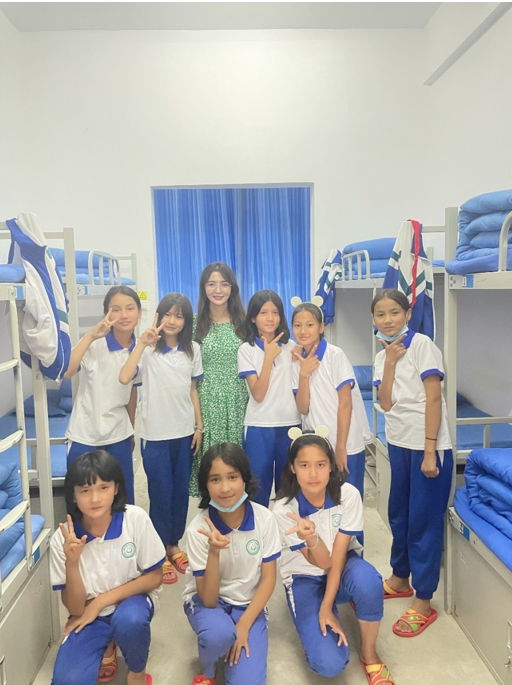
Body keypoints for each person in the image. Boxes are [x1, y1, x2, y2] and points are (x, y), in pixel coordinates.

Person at [273, 432, 395, 685]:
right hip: (304, 576)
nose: (313, 474)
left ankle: (369, 653)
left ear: (331, 465)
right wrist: (312, 539)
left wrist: (327, 605)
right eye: (304, 465)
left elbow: (336, 559)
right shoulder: (284, 509)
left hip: (343, 563)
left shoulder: (347, 494)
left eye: (320, 464)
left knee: (368, 582)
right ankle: (320, 610)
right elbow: (322, 563)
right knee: (329, 664)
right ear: (292, 468)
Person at [372, 289, 453, 637]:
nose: (388, 319)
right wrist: (390, 362)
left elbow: (434, 399)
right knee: (399, 515)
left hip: (427, 446)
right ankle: (399, 578)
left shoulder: (423, 346)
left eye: (394, 312)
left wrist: (430, 450)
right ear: (374, 319)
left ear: (407, 313)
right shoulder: (382, 357)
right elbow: (386, 403)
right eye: (380, 314)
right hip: (399, 443)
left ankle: (423, 599)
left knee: (423, 522)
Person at [50, 450, 165, 685]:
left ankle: (137, 671)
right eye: (85, 490)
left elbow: (155, 577)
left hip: (132, 601)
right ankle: (107, 641)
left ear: (116, 488)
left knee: (130, 621)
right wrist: (72, 562)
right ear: (73, 496)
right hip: (88, 613)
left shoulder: (135, 518)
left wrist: (101, 601)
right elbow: (75, 607)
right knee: (66, 680)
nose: (95, 499)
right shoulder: (62, 539)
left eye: (103, 487)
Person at [119, 293, 203, 584]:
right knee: (160, 493)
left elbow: (193, 390)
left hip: (184, 432)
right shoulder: (147, 350)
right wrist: (142, 343)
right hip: (155, 434)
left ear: (186, 321)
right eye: (168, 314)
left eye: (179, 316)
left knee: (180, 492)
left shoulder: (192, 349)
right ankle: (157, 552)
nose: (172, 321)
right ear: (158, 316)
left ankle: (173, 545)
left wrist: (199, 427)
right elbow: (125, 377)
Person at [183, 443, 281, 685]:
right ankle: (208, 670)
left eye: (232, 477)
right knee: (218, 635)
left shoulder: (265, 519)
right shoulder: (198, 529)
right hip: (209, 603)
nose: (225, 488)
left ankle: (231, 635)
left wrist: (244, 625)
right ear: (205, 485)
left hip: (247, 604)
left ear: (245, 479)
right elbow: (208, 599)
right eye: (215, 479)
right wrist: (214, 552)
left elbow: (269, 579)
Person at [65, 285, 141, 504]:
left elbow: (132, 391)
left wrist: (131, 429)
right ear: (107, 313)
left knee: (123, 500)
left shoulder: (140, 349)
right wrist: (90, 336)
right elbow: (67, 371)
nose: (123, 315)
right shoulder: (95, 344)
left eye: (130, 308)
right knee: (81, 500)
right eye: (115, 309)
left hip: (119, 434)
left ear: (139, 313)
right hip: (85, 433)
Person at [291, 301, 371, 500]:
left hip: (345, 444)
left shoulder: (335, 355)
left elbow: (346, 403)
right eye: (297, 325)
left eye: (310, 325)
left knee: (348, 501)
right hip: (316, 446)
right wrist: (304, 375)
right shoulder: (296, 361)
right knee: (320, 502)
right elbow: (303, 407)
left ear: (321, 327)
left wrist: (341, 448)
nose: (303, 331)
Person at [237, 290, 301, 506]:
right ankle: (258, 528)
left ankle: (286, 528)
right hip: (259, 426)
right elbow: (258, 394)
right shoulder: (246, 350)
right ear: (253, 318)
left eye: (275, 312)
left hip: (290, 425)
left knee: (288, 490)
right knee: (257, 490)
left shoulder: (292, 347)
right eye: (263, 312)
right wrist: (268, 358)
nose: (270, 318)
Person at [190, 262, 248, 496]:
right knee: (211, 463)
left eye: (224, 284)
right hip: (207, 402)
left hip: (239, 401)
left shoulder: (244, 322)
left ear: (232, 288)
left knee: (237, 461)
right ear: (203, 288)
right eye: (211, 284)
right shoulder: (194, 324)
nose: (218, 290)